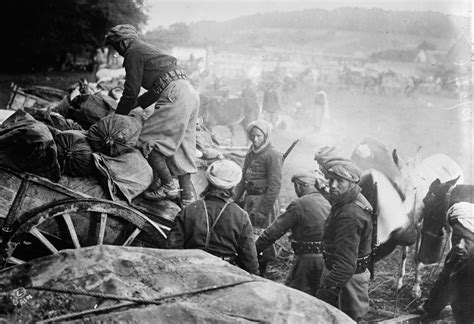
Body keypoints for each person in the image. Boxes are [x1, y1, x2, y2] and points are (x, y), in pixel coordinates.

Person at [104, 24, 199, 207]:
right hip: (188, 92)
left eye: (116, 47)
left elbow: (131, 90)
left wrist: (117, 118)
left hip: (174, 94)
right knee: (181, 146)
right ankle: (187, 197)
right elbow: (157, 88)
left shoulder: (133, 52)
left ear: (124, 42)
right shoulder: (146, 50)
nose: (118, 52)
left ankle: (168, 185)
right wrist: (136, 105)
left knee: (149, 141)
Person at [165, 159, 259, 275]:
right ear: (232, 186)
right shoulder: (241, 216)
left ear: (209, 182)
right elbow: (249, 261)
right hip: (225, 275)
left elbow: (171, 251)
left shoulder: (189, 210)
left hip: (190, 272)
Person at [315, 157, 373, 321]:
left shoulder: (349, 215)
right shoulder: (352, 199)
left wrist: (324, 294)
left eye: (339, 181)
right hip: (346, 277)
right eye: (331, 179)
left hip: (345, 282)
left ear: (352, 182)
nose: (332, 185)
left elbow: (346, 265)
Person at [255, 169, 331, 296]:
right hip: (326, 260)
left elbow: (273, 233)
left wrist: (253, 250)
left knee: (295, 296)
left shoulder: (299, 204)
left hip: (306, 261)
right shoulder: (326, 202)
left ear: (299, 186)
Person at [234, 119, 283, 276]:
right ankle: (249, 266)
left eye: (259, 136)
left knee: (262, 238)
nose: (255, 140)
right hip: (251, 200)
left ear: (266, 136)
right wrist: (233, 198)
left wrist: (263, 211)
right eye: (252, 136)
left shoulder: (273, 155)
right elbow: (243, 179)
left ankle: (261, 271)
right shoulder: (251, 152)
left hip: (264, 201)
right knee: (248, 235)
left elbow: (275, 186)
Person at [416, 202, 474, 324]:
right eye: (457, 238)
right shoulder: (454, 256)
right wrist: (430, 309)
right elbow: (444, 284)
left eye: (468, 240)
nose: (459, 245)